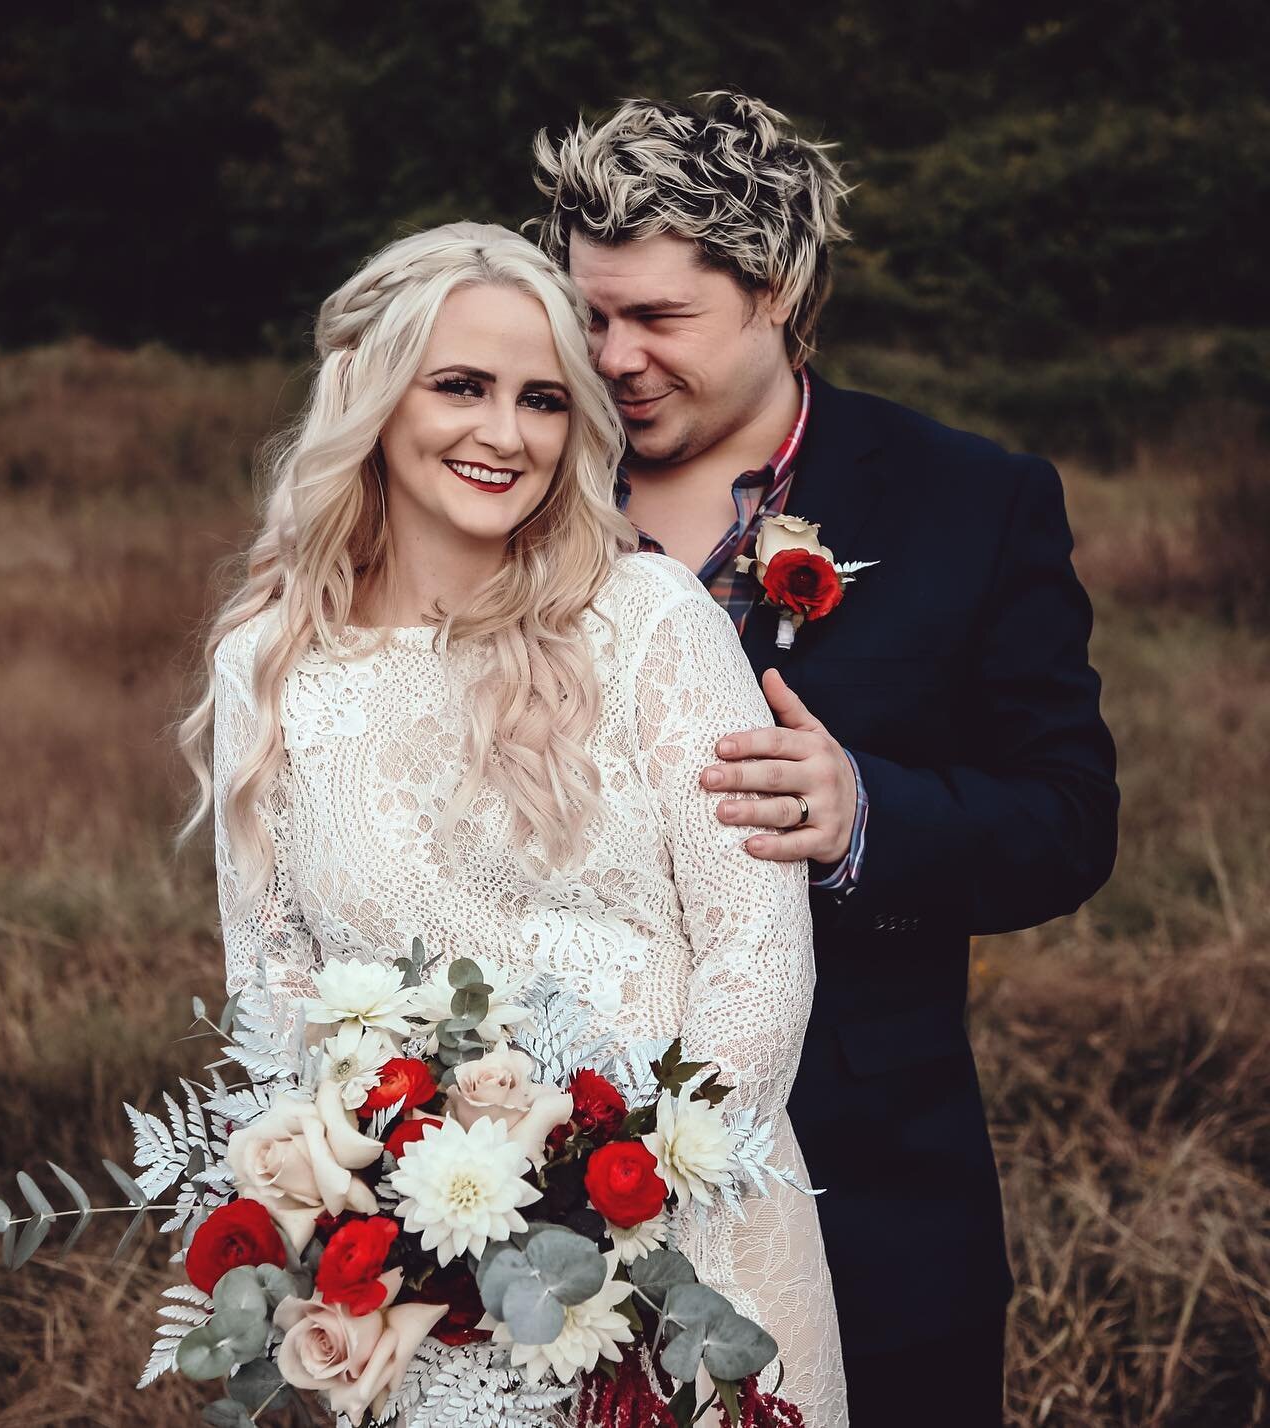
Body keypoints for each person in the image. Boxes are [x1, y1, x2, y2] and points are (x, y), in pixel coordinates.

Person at [178, 223, 848, 1426]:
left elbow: (756, 954)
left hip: (683, 1263)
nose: (505, 434)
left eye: (543, 399)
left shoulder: (649, 621)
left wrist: (609, 1212)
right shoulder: (269, 665)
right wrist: (385, 1229)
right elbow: (274, 980)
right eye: (461, 387)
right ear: (373, 396)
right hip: (411, 1298)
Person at [533, 91, 1119, 1427]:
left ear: (782, 291)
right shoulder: (517, 478)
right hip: (536, 1199)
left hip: (872, 1203)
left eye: (661, 321)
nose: (612, 359)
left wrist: (870, 814)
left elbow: (1071, 819)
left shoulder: (971, 501)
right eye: (591, 315)